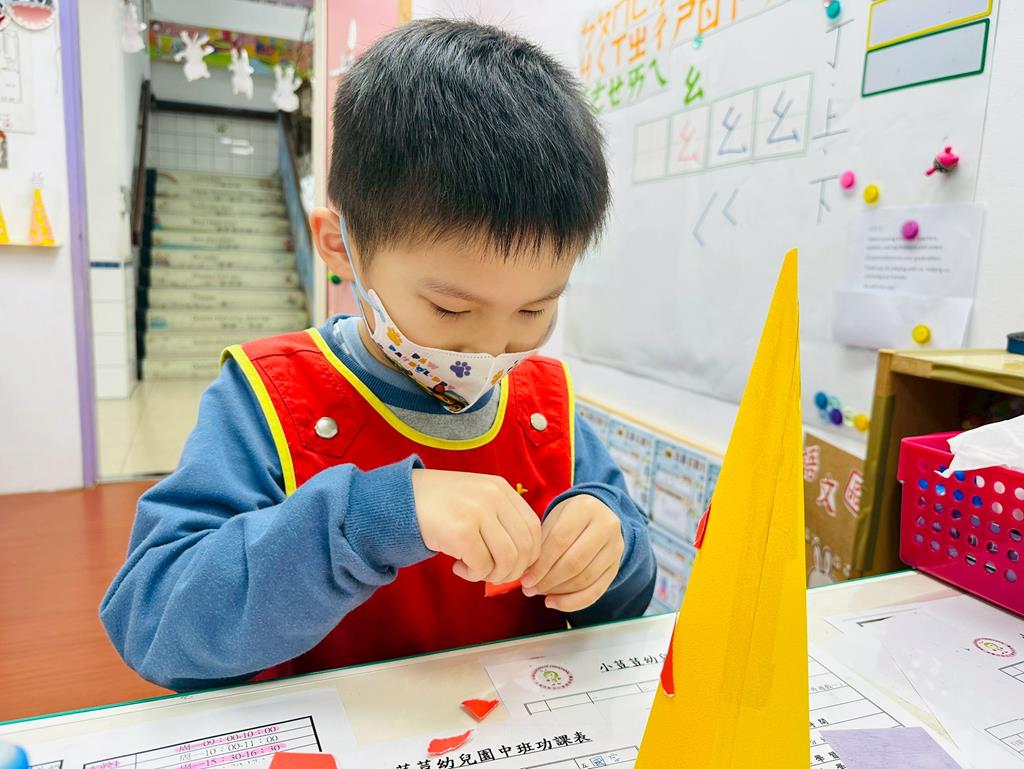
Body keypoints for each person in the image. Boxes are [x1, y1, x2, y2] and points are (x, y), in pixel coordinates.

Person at [101, 18, 656, 692]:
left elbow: (624, 597)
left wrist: (610, 548)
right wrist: (372, 518)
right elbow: (154, 622)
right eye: (450, 309)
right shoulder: (270, 398)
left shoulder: (545, 407)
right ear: (341, 247)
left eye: (534, 311)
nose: (489, 349)